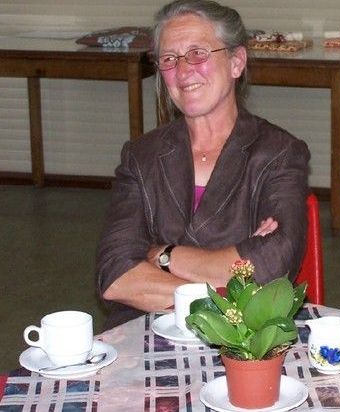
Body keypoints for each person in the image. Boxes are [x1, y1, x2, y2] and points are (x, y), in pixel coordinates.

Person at [96, 0, 310, 330]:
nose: (183, 71)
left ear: (236, 62)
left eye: (198, 53)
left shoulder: (279, 153)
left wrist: (163, 255)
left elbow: (272, 264)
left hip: (242, 343)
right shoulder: (141, 156)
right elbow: (114, 275)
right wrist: (225, 295)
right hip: (148, 333)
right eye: (169, 59)